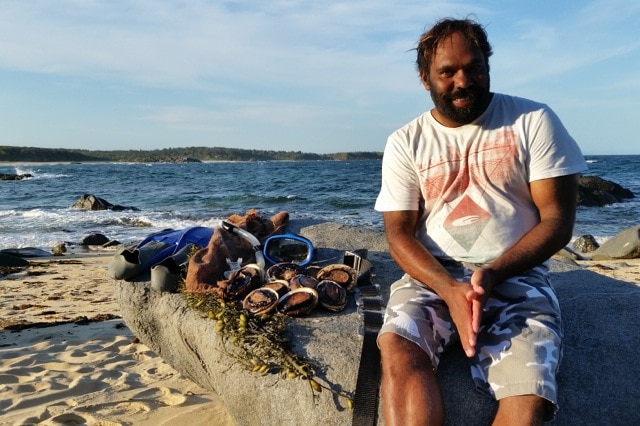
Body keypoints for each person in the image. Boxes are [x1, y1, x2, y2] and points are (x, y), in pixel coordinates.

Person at [374, 18, 588, 425]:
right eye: (447, 72)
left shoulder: (533, 120)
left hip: (516, 273)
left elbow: (558, 219)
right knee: (399, 349)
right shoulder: (406, 141)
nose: (463, 81)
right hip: (433, 275)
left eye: (474, 68)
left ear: (488, 66)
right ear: (425, 79)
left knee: (529, 390)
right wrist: (448, 289)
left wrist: (491, 273)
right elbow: (399, 232)